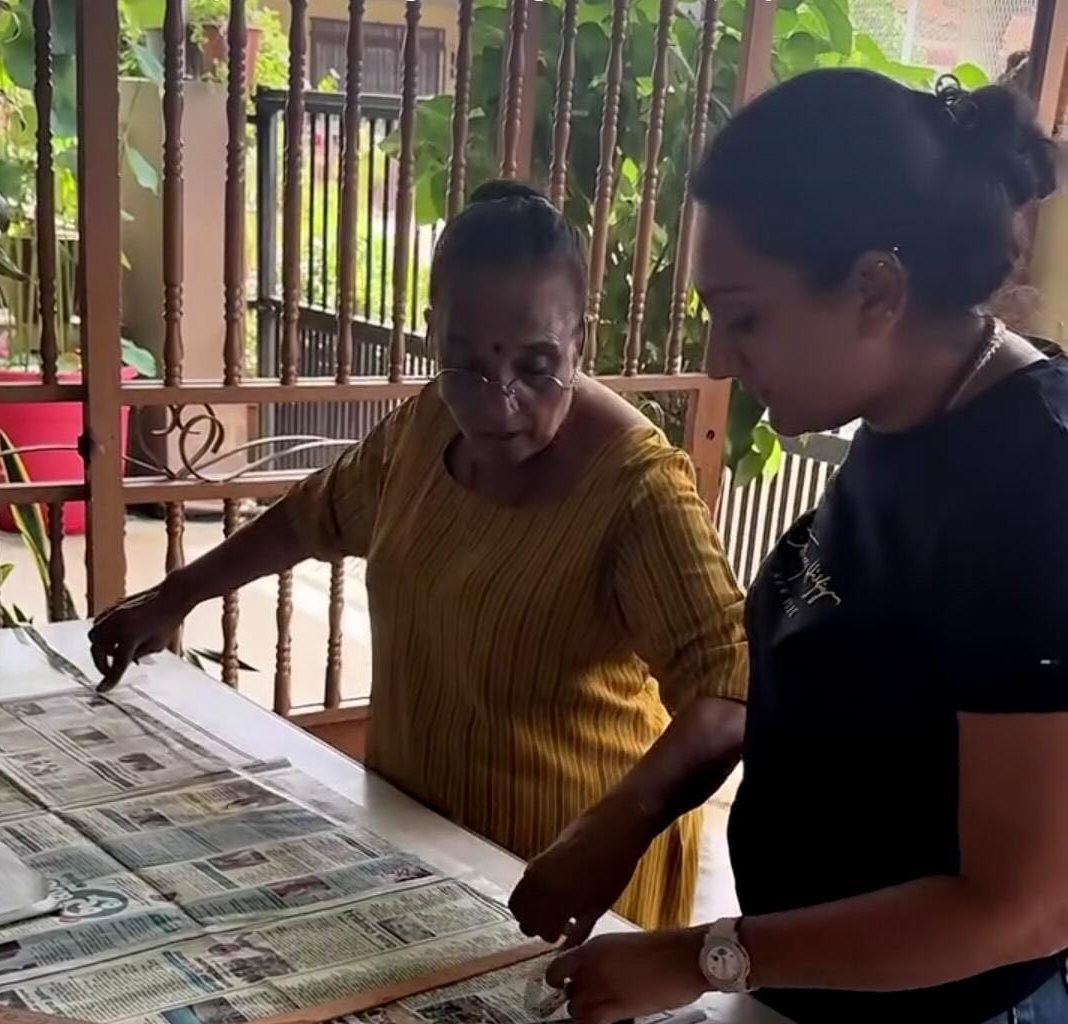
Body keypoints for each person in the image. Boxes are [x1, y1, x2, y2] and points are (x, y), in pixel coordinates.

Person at [510, 71, 1068, 1024]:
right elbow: (808, 672)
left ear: (875, 288)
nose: (723, 358)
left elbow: (1020, 908)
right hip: (810, 984)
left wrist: (703, 957)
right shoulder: (905, 422)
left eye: (746, 315)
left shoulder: (1034, 487)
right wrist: (627, 815)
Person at [88, 180, 748, 932]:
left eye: (537, 367)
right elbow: (313, 516)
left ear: (579, 342)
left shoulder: (637, 491)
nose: (497, 401)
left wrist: (614, 830)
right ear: (434, 333)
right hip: (418, 838)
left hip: (574, 877)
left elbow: (728, 692)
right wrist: (176, 595)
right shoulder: (428, 425)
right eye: (465, 361)